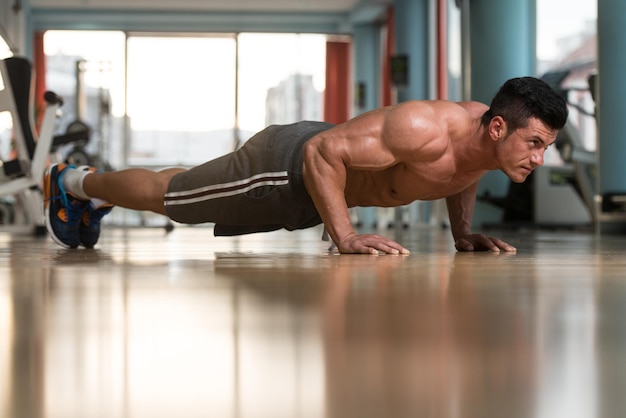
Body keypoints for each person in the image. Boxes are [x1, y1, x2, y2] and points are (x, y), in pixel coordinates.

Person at [43, 76, 568, 254]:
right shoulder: (423, 127)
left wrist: (463, 233)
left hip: (315, 187)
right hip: (291, 166)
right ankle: (70, 180)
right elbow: (324, 153)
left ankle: (99, 191)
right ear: (499, 127)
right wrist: (346, 237)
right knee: (174, 198)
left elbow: (462, 174)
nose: (539, 159)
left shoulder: (485, 143)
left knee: (184, 186)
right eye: (537, 143)